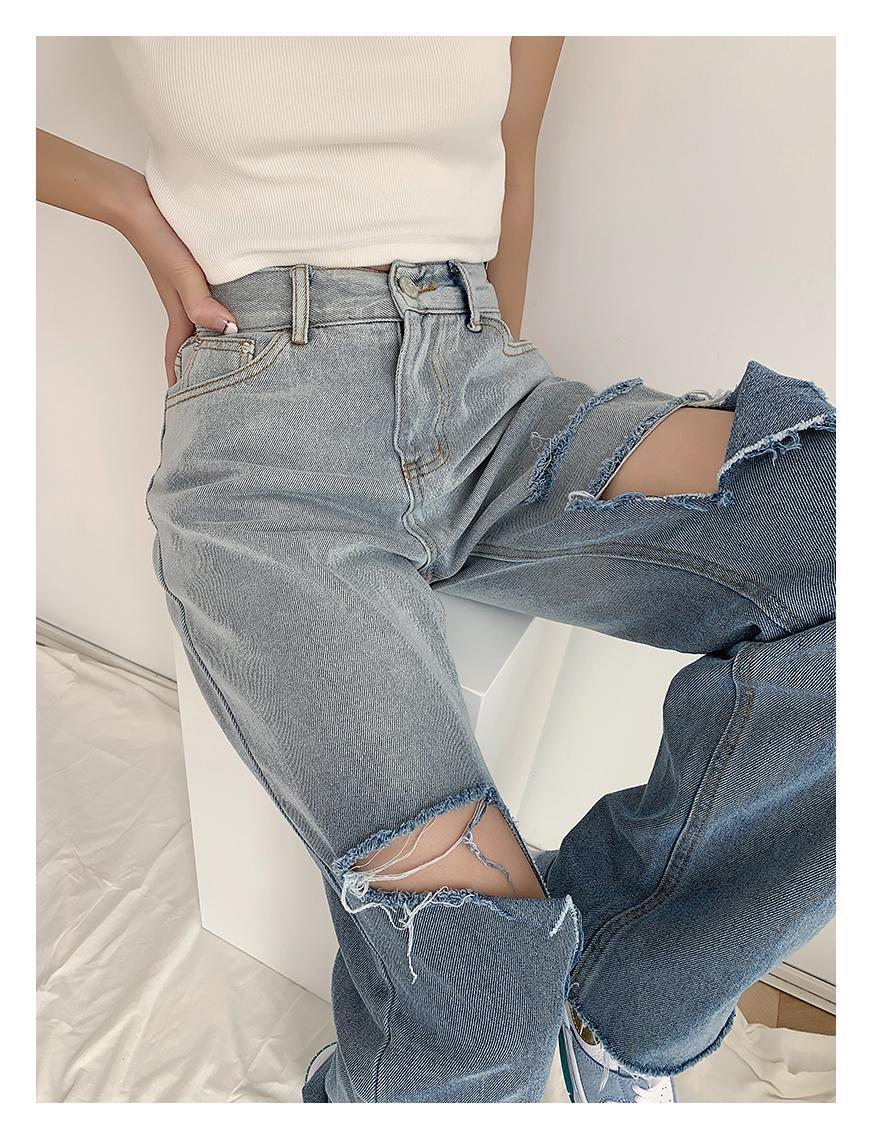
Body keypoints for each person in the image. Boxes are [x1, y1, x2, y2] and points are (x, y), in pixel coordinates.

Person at [36, 36, 835, 1104]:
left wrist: (482, 393)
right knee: (480, 1001)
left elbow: (513, 151)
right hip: (268, 429)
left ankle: (614, 1009)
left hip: (487, 393)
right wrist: (131, 208)